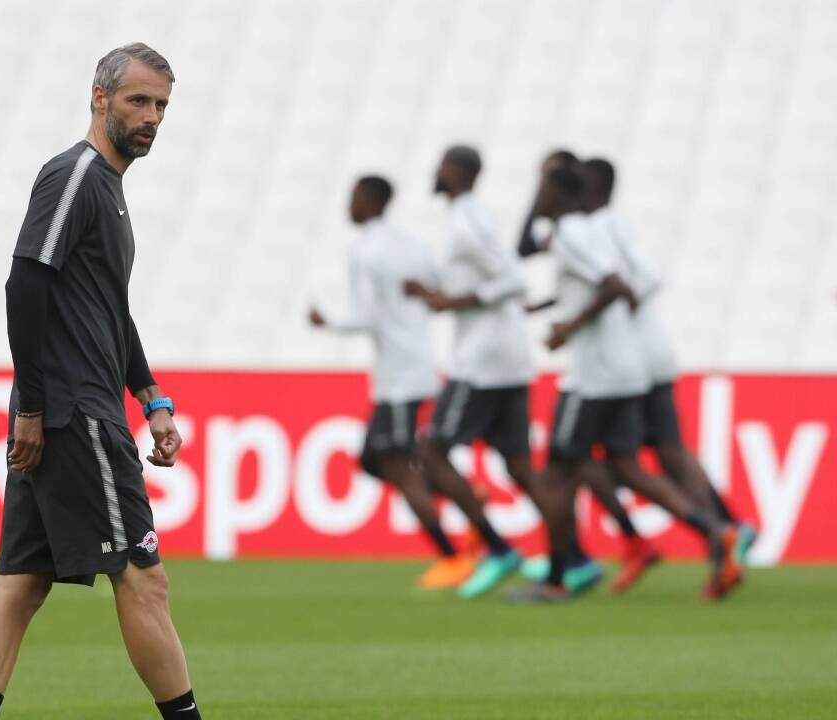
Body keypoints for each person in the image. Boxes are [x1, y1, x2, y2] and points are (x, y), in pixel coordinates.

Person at [0, 44, 201, 720]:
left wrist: (152, 397)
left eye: (161, 106)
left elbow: (109, 315)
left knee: (20, 584)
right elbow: (25, 283)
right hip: (73, 413)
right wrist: (34, 408)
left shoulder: (109, 190)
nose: (151, 116)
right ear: (100, 99)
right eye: (138, 101)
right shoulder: (75, 176)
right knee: (144, 580)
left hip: (69, 407)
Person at [506, 165, 740, 603]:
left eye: (541, 187)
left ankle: (556, 580)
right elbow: (610, 282)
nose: (536, 195)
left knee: (557, 473)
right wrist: (552, 309)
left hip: (596, 375)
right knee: (626, 466)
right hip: (624, 368)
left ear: (557, 193)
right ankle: (715, 532)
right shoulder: (587, 231)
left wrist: (568, 328)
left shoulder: (572, 233)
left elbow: (614, 286)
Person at [310, 174, 499, 590]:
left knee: (395, 463)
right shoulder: (413, 246)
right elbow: (438, 290)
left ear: (370, 200)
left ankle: (452, 557)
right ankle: (465, 494)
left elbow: (366, 315)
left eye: (354, 197)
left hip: (398, 375)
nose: (350, 205)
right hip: (414, 365)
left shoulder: (365, 250)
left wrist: (329, 323)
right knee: (372, 460)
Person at [583, 157, 757, 589]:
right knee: (667, 452)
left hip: (631, 360)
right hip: (646, 355)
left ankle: (704, 534)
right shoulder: (603, 226)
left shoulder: (599, 227)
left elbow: (648, 276)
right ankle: (725, 530)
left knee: (595, 459)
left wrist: (624, 300)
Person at [405, 146, 536, 598]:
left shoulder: (466, 222)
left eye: (441, 164)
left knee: (433, 453)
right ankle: (570, 557)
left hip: (483, 361)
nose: (435, 171)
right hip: (505, 355)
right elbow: (492, 281)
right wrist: (436, 294)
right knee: (518, 463)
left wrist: (450, 302)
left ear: (457, 172)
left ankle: (499, 549)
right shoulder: (471, 216)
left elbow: (513, 281)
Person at [516, 149, 578, 257]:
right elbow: (523, 250)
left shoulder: (574, 231)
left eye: (545, 181)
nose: (540, 190)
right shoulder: (545, 227)